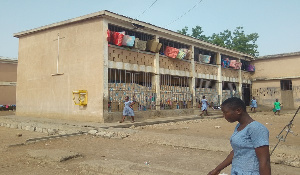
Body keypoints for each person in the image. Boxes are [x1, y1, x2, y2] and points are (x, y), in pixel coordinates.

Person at [208, 97, 271, 175]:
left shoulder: (256, 129)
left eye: (225, 112)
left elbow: (264, 161)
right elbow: (237, 151)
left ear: (238, 111)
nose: (224, 116)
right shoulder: (239, 126)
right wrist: (217, 170)